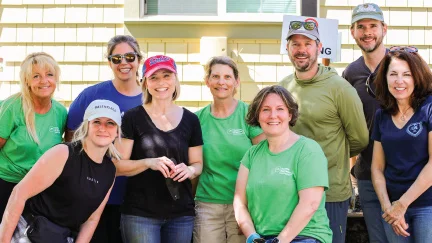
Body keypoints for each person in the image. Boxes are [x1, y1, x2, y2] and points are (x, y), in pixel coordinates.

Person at [279, 18, 369, 243]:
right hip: (290, 191)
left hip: (330, 192)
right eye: (295, 44)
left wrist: (329, 158)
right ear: (287, 48)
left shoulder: (339, 87)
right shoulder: (283, 87)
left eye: (307, 44)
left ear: (319, 47)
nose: (301, 50)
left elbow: (359, 139)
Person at [0, 99, 121, 243]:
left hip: (62, 237)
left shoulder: (109, 171)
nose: (103, 128)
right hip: (28, 233)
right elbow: (19, 193)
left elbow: (92, 219)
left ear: (117, 131)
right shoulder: (63, 153)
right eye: (96, 122)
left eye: (110, 123)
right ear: (86, 126)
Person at [114, 55, 203, 243]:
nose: (161, 82)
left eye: (167, 76)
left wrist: (189, 170)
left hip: (181, 214)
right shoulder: (132, 118)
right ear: (145, 83)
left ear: (176, 79)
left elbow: (198, 164)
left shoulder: (191, 120)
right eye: (154, 77)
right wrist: (148, 162)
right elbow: (117, 166)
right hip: (140, 214)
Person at [65, 35, 143, 243]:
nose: (124, 63)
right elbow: (71, 139)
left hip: (138, 201)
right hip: (94, 195)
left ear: (139, 60)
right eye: (116, 58)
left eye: (129, 56)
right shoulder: (91, 95)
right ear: (109, 62)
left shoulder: (151, 97)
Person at [234, 85, 332, 243]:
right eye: (265, 109)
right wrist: (252, 236)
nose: (273, 115)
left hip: (304, 236)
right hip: (263, 238)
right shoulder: (251, 155)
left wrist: (280, 240)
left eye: (280, 109)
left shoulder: (308, 150)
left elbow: (310, 204)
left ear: (290, 114)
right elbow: (239, 203)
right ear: (257, 116)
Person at [193, 56, 265, 243]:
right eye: (215, 76)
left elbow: (264, 159)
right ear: (207, 81)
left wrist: (253, 206)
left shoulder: (249, 115)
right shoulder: (196, 120)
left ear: (236, 81)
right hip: (207, 204)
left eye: (227, 77)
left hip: (243, 204)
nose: (221, 82)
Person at [371, 46, 432, 242]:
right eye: (393, 74)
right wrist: (387, 206)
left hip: (426, 205)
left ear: (417, 77)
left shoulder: (429, 108)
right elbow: (377, 167)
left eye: (407, 74)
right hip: (392, 208)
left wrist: (402, 204)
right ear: (385, 78)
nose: (399, 81)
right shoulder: (381, 115)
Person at [342, 3, 389, 243]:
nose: (367, 32)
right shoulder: (351, 74)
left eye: (373, 26)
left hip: (402, 173)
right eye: (361, 27)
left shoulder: (400, 65)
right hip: (367, 173)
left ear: (384, 29)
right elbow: (347, 124)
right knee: (378, 238)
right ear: (353, 32)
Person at [0, 52, 67, 220]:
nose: (44, 81)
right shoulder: (11, 108)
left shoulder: (60, 112)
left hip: (41, 187)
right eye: (36, 76)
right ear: (27, 81)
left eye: (49, 74)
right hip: (7, 185)